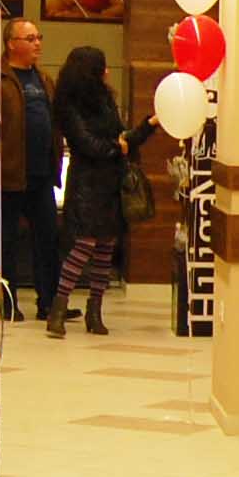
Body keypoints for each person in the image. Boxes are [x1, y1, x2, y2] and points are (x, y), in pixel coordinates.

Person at [46, 47, 157, 338]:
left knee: (106, 247)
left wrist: (147, 127)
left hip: (110, 183)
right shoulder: (69, 104)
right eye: (102, 67)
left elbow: (122, 137)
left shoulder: (105, 99)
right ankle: (59, 308)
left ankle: (94, 311)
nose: (107, 72)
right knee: (83, 245)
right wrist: (116, 147)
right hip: (87, 184)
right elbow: (86, 143)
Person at [0, 20, 60, 321]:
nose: (37, 43)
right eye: (30, 38)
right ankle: (6, 303)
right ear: (11, 43)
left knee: (48, 240)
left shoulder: (44, 79)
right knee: (4, 243)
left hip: (41, 175)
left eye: (39, 37)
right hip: (5, 176)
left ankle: (49, 303)